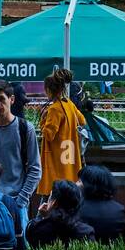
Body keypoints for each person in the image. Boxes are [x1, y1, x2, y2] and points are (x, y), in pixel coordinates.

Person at [0, 80, 42, 237]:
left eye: (1, 99)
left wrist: (20, 202)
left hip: (16, 201)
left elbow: (35, 169)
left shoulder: (25, 129)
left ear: (12, 99)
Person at [37, 67, 87, 195]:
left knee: (51, 199)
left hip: (56, 162)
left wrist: (42, 120)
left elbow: (48, 134)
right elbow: (82, 121)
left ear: (48, 90)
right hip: (70, 158)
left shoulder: (54, 109)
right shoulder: (69, 103)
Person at [26, 179, 95, 248]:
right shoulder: (86, 232)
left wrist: (43, 217)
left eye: (50, 197)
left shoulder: (36, 229)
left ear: (54, 203)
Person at [78, 164, 125, 242]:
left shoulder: (77, 209)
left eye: (79, 181)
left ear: (86, 185)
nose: (76, 183)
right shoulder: (119, 209)